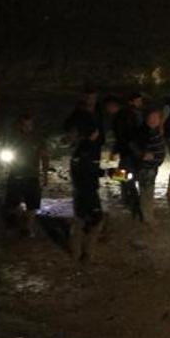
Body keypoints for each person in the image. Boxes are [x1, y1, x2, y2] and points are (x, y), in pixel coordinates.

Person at [64, 87, 105, 262]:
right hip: (83, 166)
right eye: (88, 97)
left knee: (85, 212)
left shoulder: (97, 113)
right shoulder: (77, 117)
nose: (91, 100)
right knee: (90, 215)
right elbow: (69, 137)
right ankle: (83, 252)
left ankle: (82, 250)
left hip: (91, 162)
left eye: (93, 97)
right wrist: (85, 139)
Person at [3, 112, 49, 238]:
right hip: (16, 174)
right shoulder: (13, 138)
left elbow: (45, 157)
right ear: (19, 125)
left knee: (33, 204)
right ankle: (14, 223)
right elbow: (5, 152)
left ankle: (27, 227)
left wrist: (45, 175)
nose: (26, 128)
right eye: (23, 125)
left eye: (28, 125)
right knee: (13, 202)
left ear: (32, 125)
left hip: (32, 175)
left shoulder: (38, 139)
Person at [129, 108, 165, 225]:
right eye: (151, 117)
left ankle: (147, 214)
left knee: (148, 191)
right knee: (146, 192)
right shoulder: (143, 132)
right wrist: (142, 155)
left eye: (156, 118)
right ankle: (148, 217)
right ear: (146, 118)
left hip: (152, 167)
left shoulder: (154, 130)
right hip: (146, 168)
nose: (153, 120)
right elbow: (133, 144)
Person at [111, 93, 144, 216]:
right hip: (131, 150)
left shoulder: (127, 115)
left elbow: (123, 136)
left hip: (129, 151)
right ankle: (130, 199)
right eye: (138, 101)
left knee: (125, 175)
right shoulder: (130, 115)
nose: (140, 103)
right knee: (126, 175)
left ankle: (131, 200)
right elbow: (124, 135)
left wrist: (116, 150)